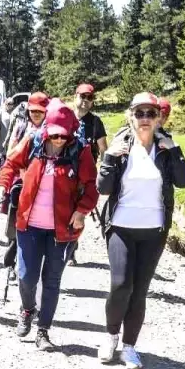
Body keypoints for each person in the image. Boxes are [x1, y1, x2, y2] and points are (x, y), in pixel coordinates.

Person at [96, 91, 185, 369]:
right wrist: (110, 159)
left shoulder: (166, 149)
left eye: (151, 113)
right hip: (121, 227)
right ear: (131, 117)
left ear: (159, 118)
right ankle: (111, 336)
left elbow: (184, 182)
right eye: (140, 113)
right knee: (121, 284)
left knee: (139, 291)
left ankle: (129, 347)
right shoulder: (121, 146)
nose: (145, 119)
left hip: (154, 230)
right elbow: (104, 189)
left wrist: (173, 149)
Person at [0, 100, 98, 351]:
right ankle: (27, 308)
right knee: (26, 276)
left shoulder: (79, 150)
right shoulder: (33, 142)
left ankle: (43, 329)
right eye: (55, 134)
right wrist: (2, 184)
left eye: (64, 135)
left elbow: (92, 186)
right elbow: (10, 164)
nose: (59, 139)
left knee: (51, 280)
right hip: (29, 224)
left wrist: (82, 211)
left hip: (63, 229)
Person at [0, 92, 49, 277]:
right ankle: (13, 262)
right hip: (21, 181)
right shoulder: (21, 126)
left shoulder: (53, 130)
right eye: (33, 110)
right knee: (17, 222)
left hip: (44, 183)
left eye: (40, 111)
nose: (36, 114)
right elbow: (11, 152)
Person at [65, 82, 108, 266]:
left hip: (84, 175)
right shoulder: (65, 117)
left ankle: (70, 249)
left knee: (78, 211)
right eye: (83, 96)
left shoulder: (95, 122)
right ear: (75, 96)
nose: (85, 101)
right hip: (64, 171)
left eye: (89, 98)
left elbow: (103, 148)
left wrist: (104, 173)